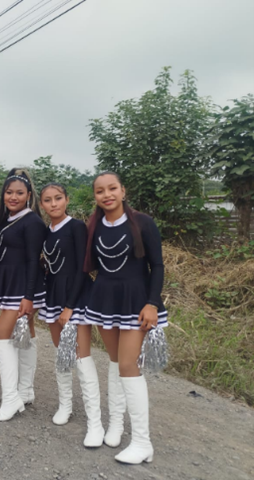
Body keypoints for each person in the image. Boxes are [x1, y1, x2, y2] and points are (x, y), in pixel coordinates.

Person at [84, 171, 167, 464]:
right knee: (116, 361)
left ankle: (143, 442)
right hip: (105, 300)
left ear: (123, 191)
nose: (107, 195)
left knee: (129, 365)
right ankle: (116, 424)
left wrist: (152, 303)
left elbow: (157, 266)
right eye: (100, 191)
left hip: (136, 301)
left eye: (112, 188)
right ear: (95, 196)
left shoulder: (143, 223)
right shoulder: (94, 226)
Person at [38, 183, 103, 448]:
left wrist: (70, 306)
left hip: (75, 297)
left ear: (67, 199)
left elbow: (82, 268)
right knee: (61, 353)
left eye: (58, 198)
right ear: (41, 204)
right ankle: (65, 405)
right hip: (53, 294)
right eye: (47, 200)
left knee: (81, 356)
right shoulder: (46, 232)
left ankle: (95, 422)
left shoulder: (76, 227)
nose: (53, 204)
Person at [0, 169, 46, 421]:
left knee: (1, 335)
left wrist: (28, 296)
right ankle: (25, 390)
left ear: (29, 195)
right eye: (9, 192)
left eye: (19, 193)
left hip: (24, 288)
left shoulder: (32, 222)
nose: (13, 197)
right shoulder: (8, 219)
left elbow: (34, 260)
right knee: (26, 335)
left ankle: (11, 398)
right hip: (10, 285)